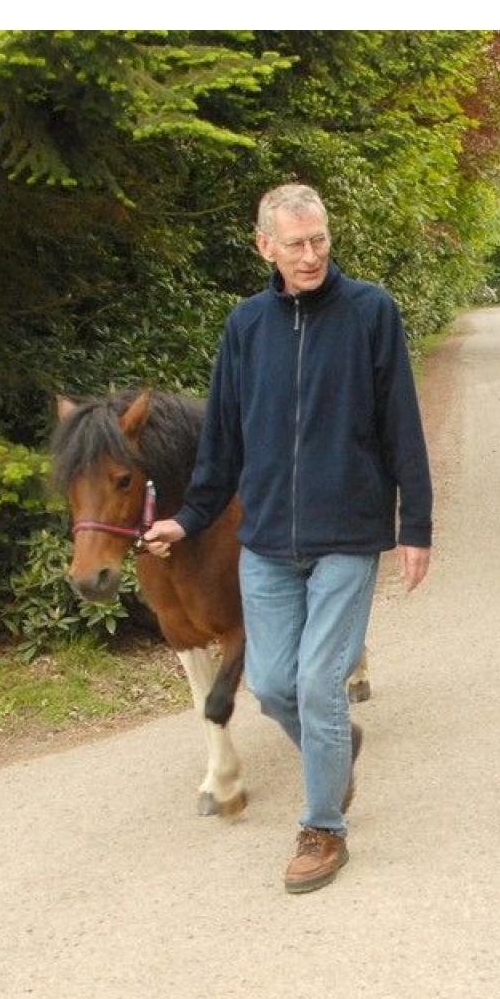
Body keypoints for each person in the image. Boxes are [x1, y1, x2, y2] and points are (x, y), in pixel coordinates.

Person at [144, 183, 433, 894]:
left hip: (348, 533)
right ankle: (334, 752)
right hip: (267, 540)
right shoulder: (246, 328)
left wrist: (415, 525)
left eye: (321, 241)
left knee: (316, 680)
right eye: (296, 245)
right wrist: (188, 517)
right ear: (265, 246)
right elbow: (221, 444)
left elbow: (402, 422)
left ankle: (322, 827)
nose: (311, 256)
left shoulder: (370, 312)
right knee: (272, 685)